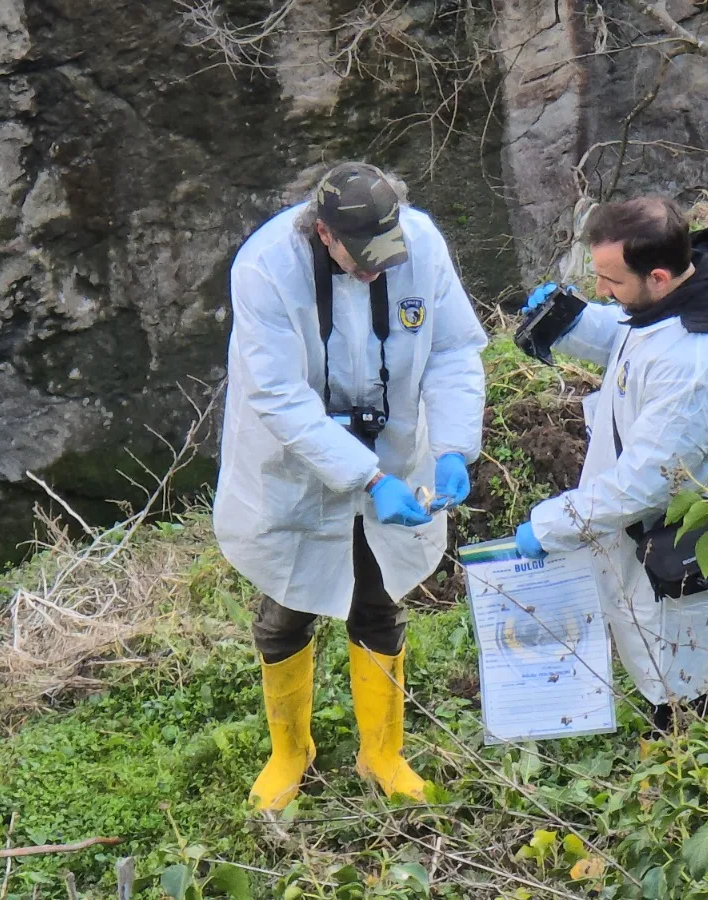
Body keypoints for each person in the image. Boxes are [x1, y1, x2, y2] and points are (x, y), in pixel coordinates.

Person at [213, 162, 487, 808]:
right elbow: (279, 396)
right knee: (286, 609)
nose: (377, 271)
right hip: (297, 468)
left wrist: (451, 447)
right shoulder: (265, 269)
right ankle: (291, 751)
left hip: (397, 450)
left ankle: (382, 753)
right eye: (363, 260)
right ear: (325, 234)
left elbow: (451, 350)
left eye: (385, 259)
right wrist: (362, 475)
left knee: (380, 599)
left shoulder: (418, 244)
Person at [510, 196, 708, 733]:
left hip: (684, 542)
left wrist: (552, 524)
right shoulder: (686, 292)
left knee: (686, 670)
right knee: (662, 654)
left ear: (657, 275)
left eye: (610, 281)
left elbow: (644, 482)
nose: (600, 291)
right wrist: (571, 323)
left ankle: (692, 773)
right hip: (649, 531)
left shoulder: (699, 365)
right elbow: (635, 336)